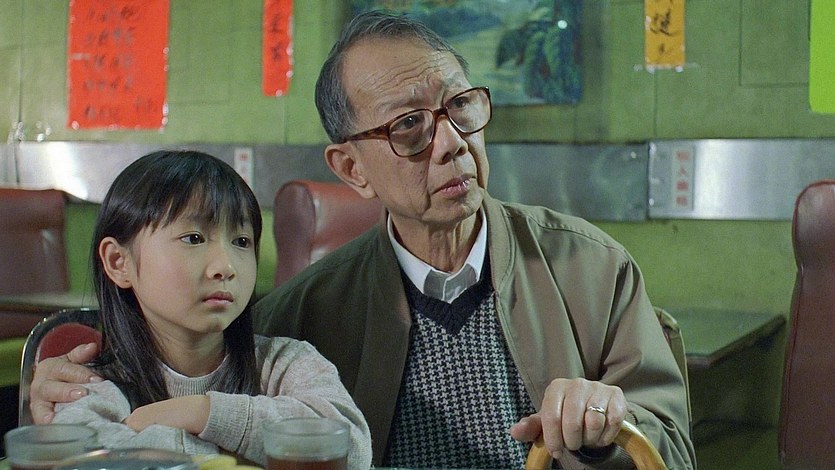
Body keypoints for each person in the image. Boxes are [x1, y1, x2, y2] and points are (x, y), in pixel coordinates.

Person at [31, 11, 694, 469]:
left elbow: (672, 446)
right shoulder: (306, 312)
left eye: (459, 107)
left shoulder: (588, 267)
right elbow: (184, 376)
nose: (450, 143)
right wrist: (61, 386)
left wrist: (609, 427)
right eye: (409, 126)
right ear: (351, 169)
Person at [48, 150, 372, 469]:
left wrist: (202, 412)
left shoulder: (286, 363)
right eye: (193, 238)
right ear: (119, 262)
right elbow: (87, 457)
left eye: (241, 241)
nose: (225, 267)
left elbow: (352, 449)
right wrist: (247, 455)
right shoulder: (90, 383)